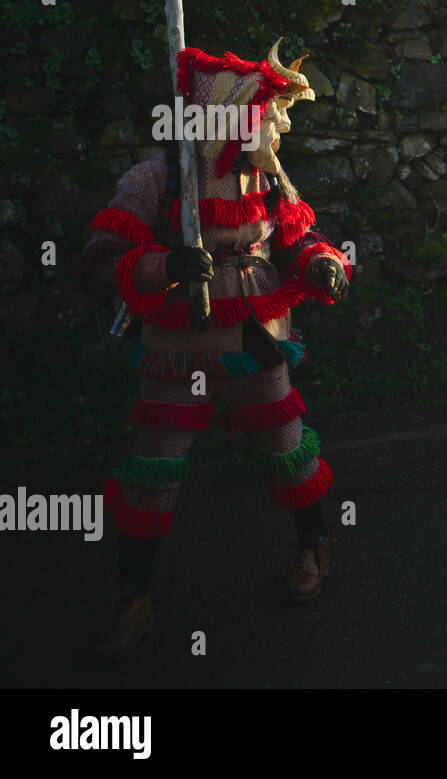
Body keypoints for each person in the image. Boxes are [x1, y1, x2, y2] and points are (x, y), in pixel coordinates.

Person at [73, 40, 350, 660]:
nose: (280, 124)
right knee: (155, 472)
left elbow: (299, 243)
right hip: (176, 349)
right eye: (269, 112)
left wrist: (323, 265)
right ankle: (132, 596)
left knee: (288, 450)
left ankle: (314, 547)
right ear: (228, 118)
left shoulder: (267, 178)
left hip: (254, 338)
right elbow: (97, 260)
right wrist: (162, 264)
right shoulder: (158, 177)